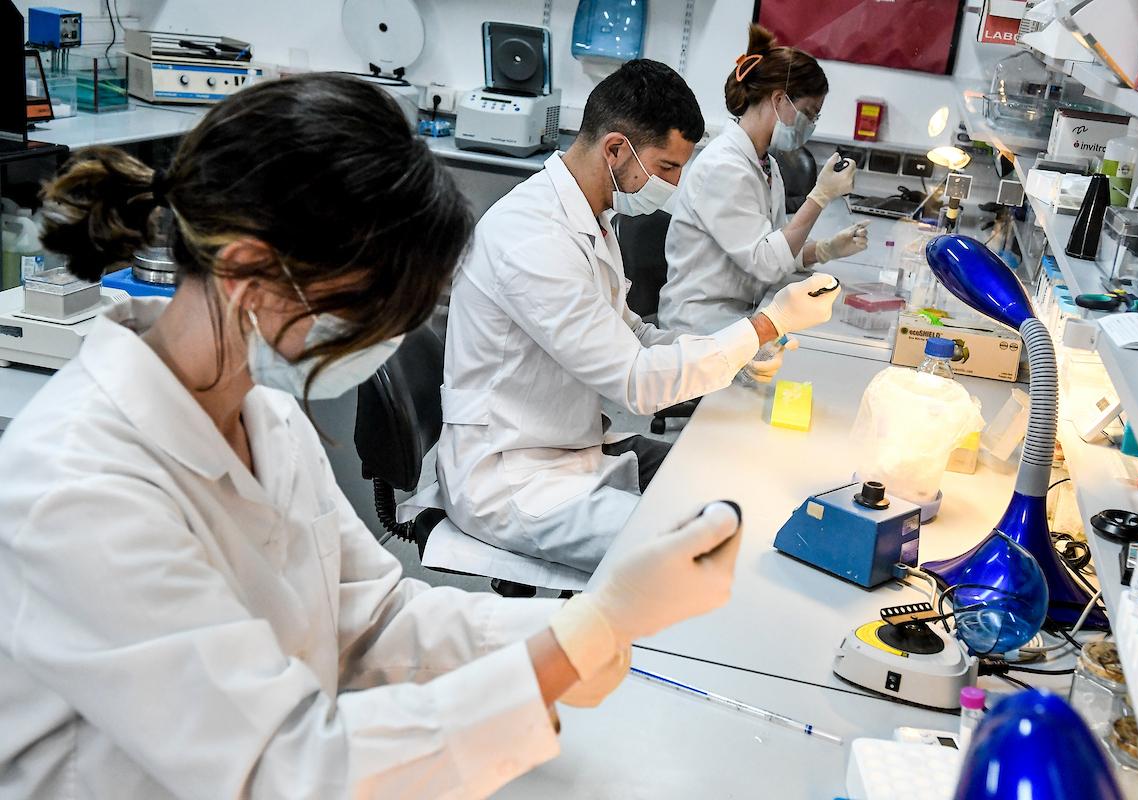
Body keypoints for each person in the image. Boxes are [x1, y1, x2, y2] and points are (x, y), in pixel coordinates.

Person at [0, 73, 748, 799]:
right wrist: (558, 657)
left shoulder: (266, 416)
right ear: (249, 271)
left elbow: (372, 619)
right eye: (366, 310)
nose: (380, 339)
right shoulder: (79, 489)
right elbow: (284, 772)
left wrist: (584, 623)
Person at [437, 60, 839, 581]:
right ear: (615, 150)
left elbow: (634, 334)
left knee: (727, 478)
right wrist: (764, 326)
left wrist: (739, 349)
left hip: (570, 446)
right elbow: (637, 384)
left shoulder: (590, 216)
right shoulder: (533, 241)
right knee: (709, 557)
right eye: (667, 167)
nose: (674, 185)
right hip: (515, 478)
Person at [658, 24, 867, 334]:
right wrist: (820, 196)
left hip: (739, 315)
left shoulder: (765, 165)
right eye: (809, 113)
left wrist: (825, 250)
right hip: (700, 327)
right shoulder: (724, 167)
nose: (810, 124)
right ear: (780, 99)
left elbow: (777, 247)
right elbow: (767, 262)